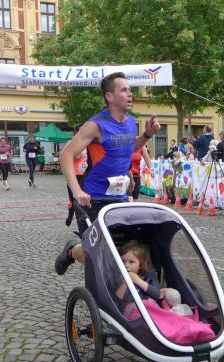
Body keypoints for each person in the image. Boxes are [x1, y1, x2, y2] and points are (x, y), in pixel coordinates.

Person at [55, 72, 160, 275]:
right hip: (93, 199)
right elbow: (66, 154)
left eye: (130, 90)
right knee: (97, 255)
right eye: (124, 90)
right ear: (109, 96)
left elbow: (127, 148)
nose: (130, 94)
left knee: (126, 251)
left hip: (119, 197)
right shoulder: (96, 125)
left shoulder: (130, 123)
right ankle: (71, 251)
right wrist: (77, 192)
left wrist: (147, 135)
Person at [66, 129, 88, 226]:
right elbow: (65, 157)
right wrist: (74, 156)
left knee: (83, 198)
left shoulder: (89, 143)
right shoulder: (71, 143)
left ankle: (82, 219)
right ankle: (70, 215)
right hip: (73, 175)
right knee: (73, 198)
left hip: (86, 175)